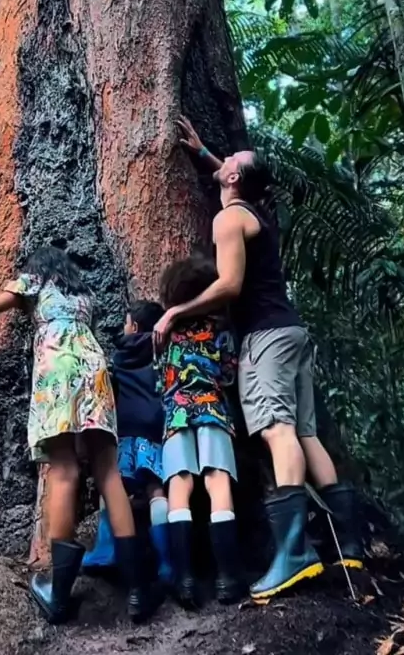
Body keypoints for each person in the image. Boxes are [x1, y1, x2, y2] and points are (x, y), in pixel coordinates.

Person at [154, 118, 363, 601]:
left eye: (229, 162)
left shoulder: (229, 219)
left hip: (265, 337)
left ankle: (292, 552)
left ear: (234, 180)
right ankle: (347, 541)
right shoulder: (256, 214)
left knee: (277, 430)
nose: (225, 160)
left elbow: (229, 285)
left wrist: (175, 313)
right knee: (305, 432)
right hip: (291, 331)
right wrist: (206, 152)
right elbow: (238, 182)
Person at [0, 246, 161, 625]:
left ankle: (59, 595)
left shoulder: (33, 281)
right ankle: (138, 589)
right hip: (95, 370)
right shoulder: (82, 295)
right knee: (108, 473)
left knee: (64, 471)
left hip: (57, 372)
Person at [156, 253, 241, 608]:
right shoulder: (220, 329)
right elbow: (229, 374)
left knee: (180, 484)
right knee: (217, 480)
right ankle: (227, 578)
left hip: (176, 414)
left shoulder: (167, 331)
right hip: (213, 411)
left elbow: (161, 376)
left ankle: (185, 579)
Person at [82, 300, 172, 587]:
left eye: (126, 322)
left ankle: (106, 549)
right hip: (156, 427)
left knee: (113, 484)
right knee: (156, 489)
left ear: (133, 327)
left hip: (126, 426)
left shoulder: (121, 355)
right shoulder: (162, 349)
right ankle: (168, 562)